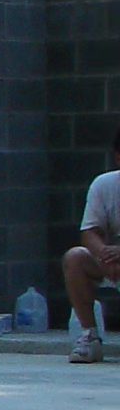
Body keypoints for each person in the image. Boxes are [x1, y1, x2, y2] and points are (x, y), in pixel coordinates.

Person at [63, 127, 120, 362]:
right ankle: (89, 336)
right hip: (113, 262)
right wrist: (103, 254)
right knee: (75, 257)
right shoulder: (104, 185)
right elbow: (89, 231)